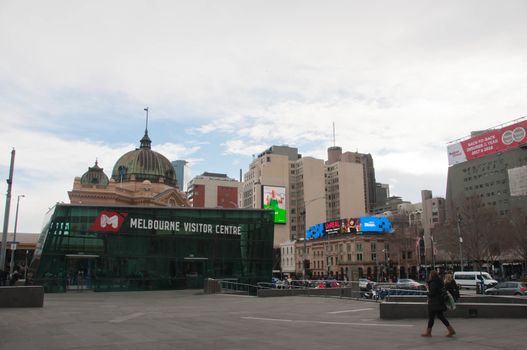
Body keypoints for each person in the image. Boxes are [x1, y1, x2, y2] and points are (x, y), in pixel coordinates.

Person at [421, 270, 456, 337]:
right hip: (438, 302)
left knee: (432, 318)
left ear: (432, 276)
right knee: (440, 317)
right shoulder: (439, 281)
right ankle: (451, 330)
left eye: (430, 275)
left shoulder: (433, 283)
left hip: (434, 303)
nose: (429, 276)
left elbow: (432, 293)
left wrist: (426, 292)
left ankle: (428, 332)